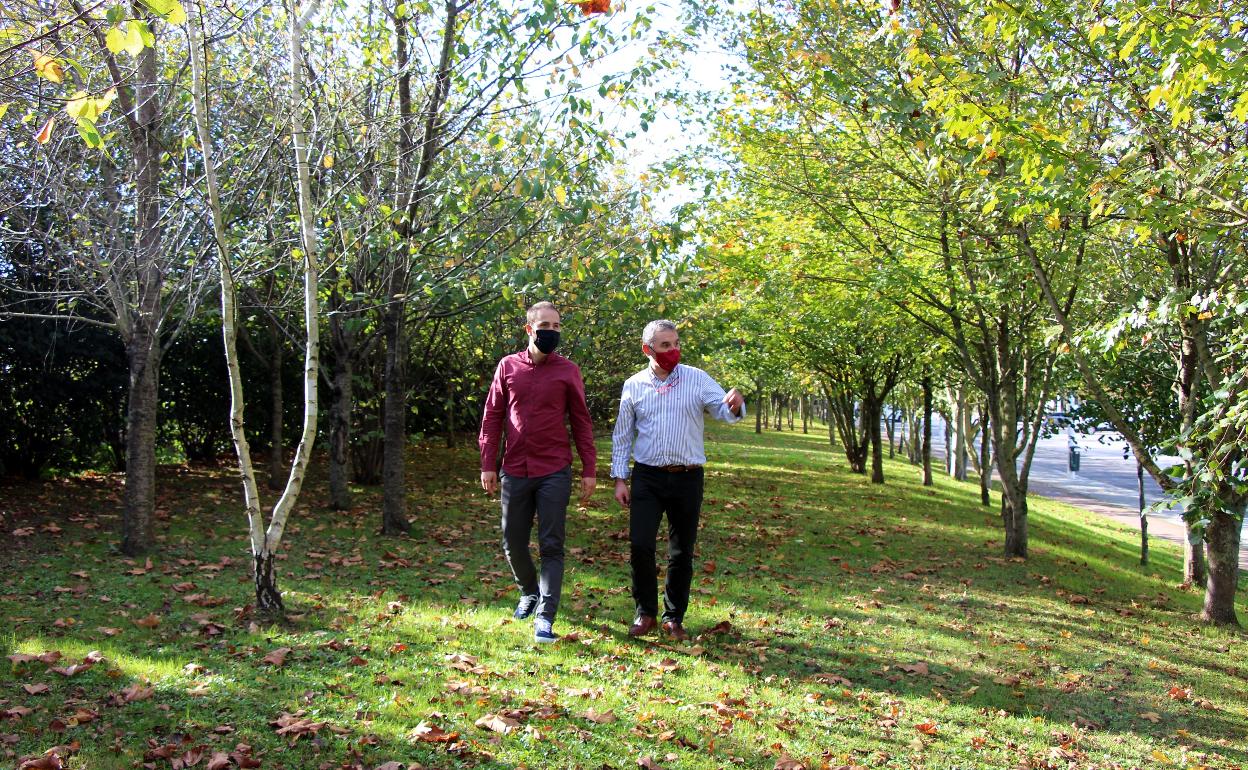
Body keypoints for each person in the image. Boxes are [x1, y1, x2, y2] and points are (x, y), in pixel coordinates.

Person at [610, 319, 745, 641]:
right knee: (640, 545)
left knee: (681, 551)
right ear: (648, 349)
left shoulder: (696, 378)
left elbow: (723, 410)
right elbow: (622, 435)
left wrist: (735, 403)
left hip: (687, 478)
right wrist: (619, 478)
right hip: (647, 477)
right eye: (665, 345)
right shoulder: (634, 385)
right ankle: (645, 613)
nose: (673, 350)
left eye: (676, 343)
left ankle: (674, 618)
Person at [479, 301, 596, 643]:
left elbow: (581, 421)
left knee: (551, 545)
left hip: (554, 470)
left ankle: (545, 617)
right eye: (545, 325)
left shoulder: (567, 370)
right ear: (529, 329)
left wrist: (589, 468)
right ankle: (528, 591)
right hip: (514, 469)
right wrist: (488, 463)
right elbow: (491, 417)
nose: (552, 331)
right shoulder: (508, 366)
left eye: (557, 326)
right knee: (512, 541)